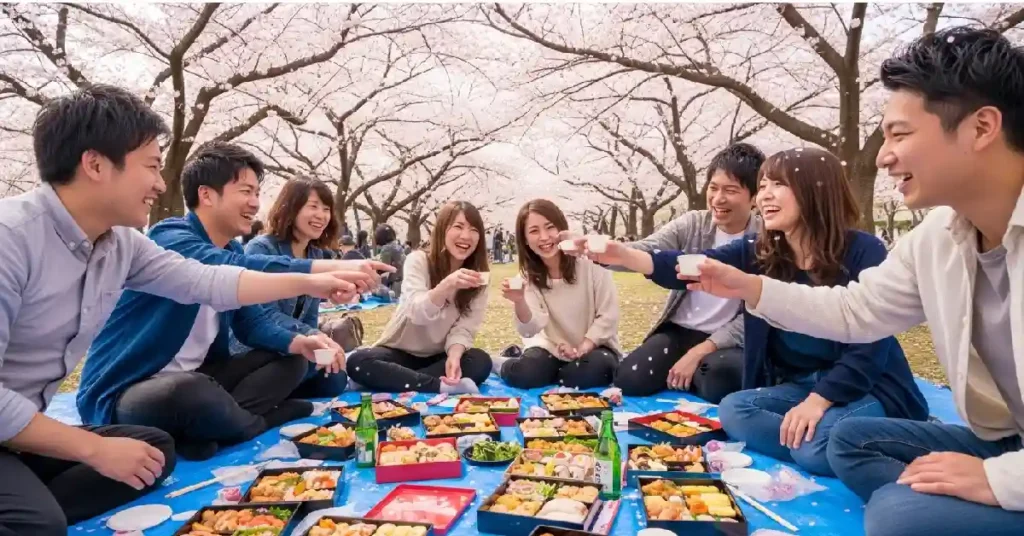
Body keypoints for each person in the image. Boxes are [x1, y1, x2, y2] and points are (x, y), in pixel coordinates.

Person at [675, 28, 1024, 535]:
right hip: (1002, 437)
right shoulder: (937, 239)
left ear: (982, 127)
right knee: (849, 443)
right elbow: (855, 312)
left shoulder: (861, 246)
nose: (883, 155)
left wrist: (998, 480)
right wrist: (750, 287)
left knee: (894, 516)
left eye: (900, 134)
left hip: (982, 448)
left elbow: (866, 347)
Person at [0, 85, 360, 534]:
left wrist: (310, 293)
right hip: (128, 392)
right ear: (95, 164)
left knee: (152, 453)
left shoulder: (121, 245)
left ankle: (31, 494)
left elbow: (209, 283)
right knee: (41, 518)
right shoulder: (11, 238)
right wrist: (89, 449)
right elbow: (219, 268)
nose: (159, 183)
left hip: (22, 430)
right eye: (151, 166)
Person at [587, 147, 929, 476]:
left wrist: (820, 400)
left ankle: (844, 443)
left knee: (818, 443)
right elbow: (690, 266)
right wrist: (625, 255)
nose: (765, 195)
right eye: (762, 185)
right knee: (734, 410)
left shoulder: (863, 250)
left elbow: (870, 347)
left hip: (865, 386)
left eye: (778, 184)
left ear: (816, 191)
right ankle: (824, 446)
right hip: (796, 385)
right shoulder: (761, 250)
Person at [77, 142, 388, 461]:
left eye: (257, 193)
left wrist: (299, 342)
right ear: (207, 195)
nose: (255, 203)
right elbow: (236, 270)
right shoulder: (170, 237)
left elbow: (253, 324)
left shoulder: (236, 251)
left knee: (294, 359)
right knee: (190, 391)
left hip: (204, 373)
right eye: (245, 191)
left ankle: (210, 428)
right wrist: (328, 270)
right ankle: (255, 423)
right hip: (132, 388)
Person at [611, 143, 763, 402]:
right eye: (713, 188)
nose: (717, 199)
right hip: (680, 330)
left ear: (754, 197)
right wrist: (607, 252)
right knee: (630, 378)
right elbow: (648, 251)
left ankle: (697, 372)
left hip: (728, 339)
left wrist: (702, 351)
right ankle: (687, 374)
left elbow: (759, 312)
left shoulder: (764, 240)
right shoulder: (692, 224)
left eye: (730, 190)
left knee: (720, 380)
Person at [347, 201, 493, 394]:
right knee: (358, 362)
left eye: (473, 230)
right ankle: (437, 386)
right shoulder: (418, 260)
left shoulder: (479, 276)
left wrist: (455, 356)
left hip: (439, 355)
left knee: (480, 361)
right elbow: (417, 313)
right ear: (442, 230)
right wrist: (447, 285)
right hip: (400, 351)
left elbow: (465, 328)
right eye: (458, 227)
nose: (466, 236)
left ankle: (395, 379)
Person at [235, 175, 350, 397]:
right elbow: (264, 315)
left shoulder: (316, 255)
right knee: (299, 366)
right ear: (291, 209)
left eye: (326, 209)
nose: (321, 216)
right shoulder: (262, 249)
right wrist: (310, 335)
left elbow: (310, 317)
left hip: (300, 347)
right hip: (261, 347)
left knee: (335, 378)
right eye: (313, 207)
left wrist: (318, 338)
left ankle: (283, 392)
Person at [491, 200, 620, 389]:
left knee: (596, 371)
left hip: (594, 347)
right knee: (526, 375)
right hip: (550, 348)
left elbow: (608, 316)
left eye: (550, 227)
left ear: (562, 228)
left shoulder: (592, 263)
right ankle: (503, 362)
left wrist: (581, 348)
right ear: (525, 239)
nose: (544, 237)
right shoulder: (527, 277)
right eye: (534, 231)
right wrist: (519, 301)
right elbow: (530, 329)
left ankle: (550, 372)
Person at [375, 223, 405, 298]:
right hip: (402, 281)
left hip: (395, 285)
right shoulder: (398, 247)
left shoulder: (386, 249)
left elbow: (384, 269)